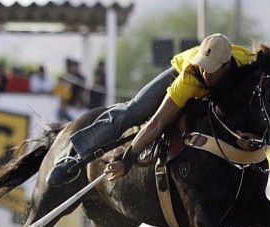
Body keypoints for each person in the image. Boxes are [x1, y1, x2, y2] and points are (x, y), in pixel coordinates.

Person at [48, 33, 256, 186]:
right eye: (202, 64)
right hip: (176, 74)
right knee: (134, 111)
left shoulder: (248, 63)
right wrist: (128, 159)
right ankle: (76, 157)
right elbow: (157, 122)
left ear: (227, 65)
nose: (205, 72)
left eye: (210, 68)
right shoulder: (191, 77)